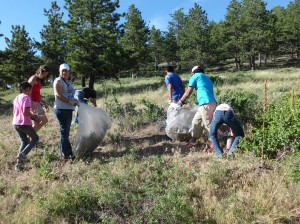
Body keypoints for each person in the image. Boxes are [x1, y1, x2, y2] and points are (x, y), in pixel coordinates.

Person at [178, 65, 217, 148]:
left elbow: (188, 92)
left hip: (205, 103)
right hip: (210, 103)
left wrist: (181, 101)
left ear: (193, 72)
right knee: (196, 122)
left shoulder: (195, 76)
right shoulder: (207, 78)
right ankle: (193, 141)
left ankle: (214, 145)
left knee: (208, 125)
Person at [53, 63, 79, 161]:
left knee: (65, 132)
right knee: (65, 133)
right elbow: (58, 95)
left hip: (68, 109)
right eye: (62, 71)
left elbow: (71, 93)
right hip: (61, 110)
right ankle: (69, 154)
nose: (64, 72)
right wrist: (69, 101)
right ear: (60, 72)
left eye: (66, 71)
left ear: (69, 72)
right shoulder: (58, 81)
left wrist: (76, 99)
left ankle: (62, 153)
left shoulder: (67, 82)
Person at [12, 81, 40, 171]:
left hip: (16, 123)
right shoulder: (26, 97)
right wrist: (34, 117)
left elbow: (16, 111)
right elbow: (25, 112)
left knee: (24, 141)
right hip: (24, 123)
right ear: (28, 89)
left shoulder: (16, 98)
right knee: (35, 138)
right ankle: (23, 154)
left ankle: (19, 165)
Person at [28, 65, 50, 131]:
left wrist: (44, 103)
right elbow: (27, 92)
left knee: (38, 123)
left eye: (47, 74)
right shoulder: (33, 78)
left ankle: (30, 138)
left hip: (37, 102)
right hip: (33, 103)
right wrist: (31, 104)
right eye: (45, 74)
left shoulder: (39, 80)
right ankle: (29, 137)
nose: (45, 76)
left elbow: (37, 94)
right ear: (40, 71)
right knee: (43, 120)